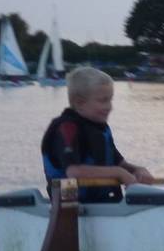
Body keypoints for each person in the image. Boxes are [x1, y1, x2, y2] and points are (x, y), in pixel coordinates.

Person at [40, 66, 156, 202]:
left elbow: (119, 164)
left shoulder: (101, 129)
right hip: (68, 202)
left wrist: (138, 170)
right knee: (69, 191)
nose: (109, 107)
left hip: (100, 202)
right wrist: (119, 173)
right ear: (80, 103)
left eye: (110, 100)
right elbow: (74, 172)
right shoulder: (66, 128)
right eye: (103, 100)